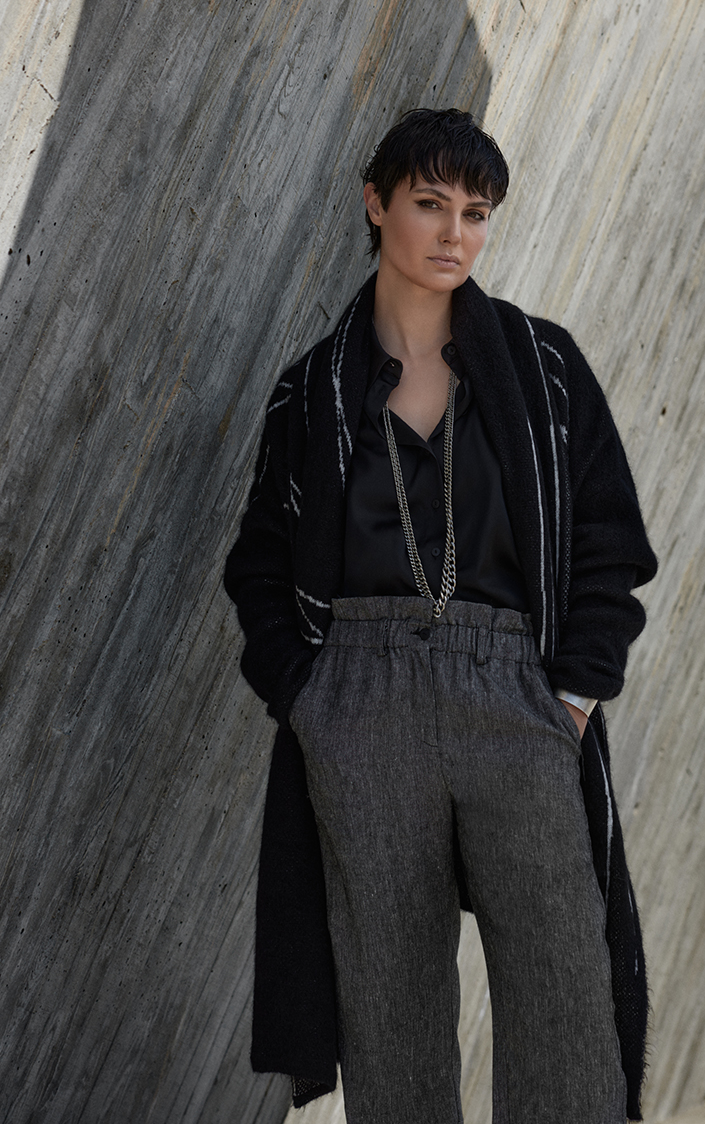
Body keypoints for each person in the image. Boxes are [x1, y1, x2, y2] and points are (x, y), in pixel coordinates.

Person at [224, 108, 657, 1124]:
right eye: (430, 203)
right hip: (358, 701)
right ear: (375, 204)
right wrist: (309, 697)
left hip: (517, 696)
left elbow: (611, 545)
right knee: (391, 1008)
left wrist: (574, 695)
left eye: (476, 212)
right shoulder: (313, 392)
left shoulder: (544, 367)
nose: (455, 233)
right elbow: (260, 563)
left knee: (565, 992)